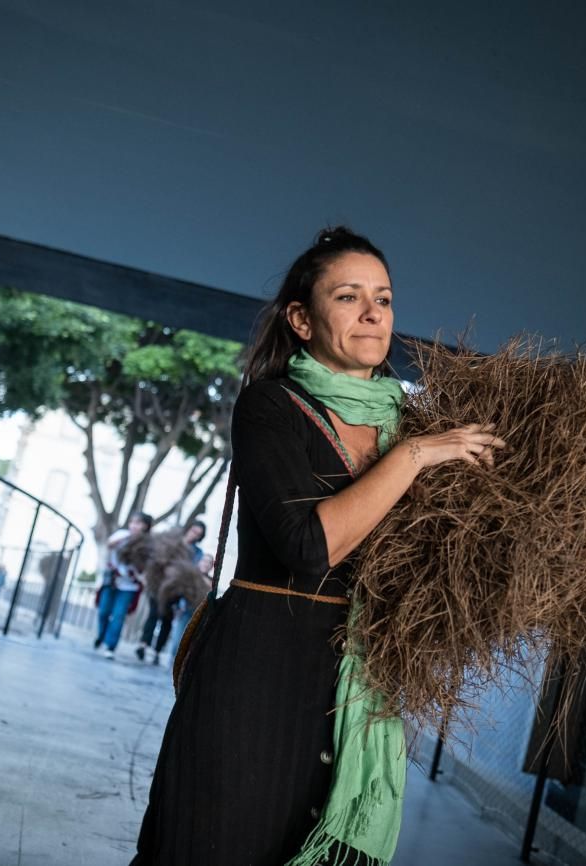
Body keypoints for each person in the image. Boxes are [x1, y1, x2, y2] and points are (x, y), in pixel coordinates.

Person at [132, 227, 504, 865]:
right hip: (258, 671)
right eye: (349, 296)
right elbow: (307, 547)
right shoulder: (272, 406)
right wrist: (414, 458)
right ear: (302, 320)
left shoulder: (415, 423)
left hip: (354, 682)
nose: (371, 314)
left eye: (383, 299)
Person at [135, 520, 206, 664]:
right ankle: (144, 644)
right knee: (153, 614)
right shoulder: (172, 542)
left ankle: (157, 650)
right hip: (158, 583)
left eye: (198, 534)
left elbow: (192, 572)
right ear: (188, 529)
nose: (194, 535)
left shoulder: (197, 553)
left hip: (175, 590)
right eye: (194, 531)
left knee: (166, 619)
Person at [94, 511, 153, 659]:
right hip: (112, 580)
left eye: (138, 523)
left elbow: (147, 565)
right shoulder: (121, 535)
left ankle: (110, 646)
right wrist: (127, 538)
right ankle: (101, 636)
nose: (134, 525)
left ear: (145, 526)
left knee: (119, 616)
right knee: (103, 612)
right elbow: (109, 544)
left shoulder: (147, 545)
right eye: (132, 522)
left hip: (129, 586)